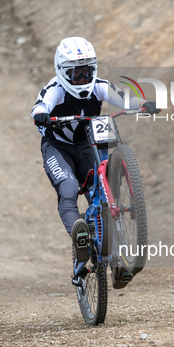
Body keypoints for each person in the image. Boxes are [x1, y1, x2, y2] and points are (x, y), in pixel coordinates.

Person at [31, 37, 158, 284]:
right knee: (68, 188)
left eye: (86, 71)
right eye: (75, 73)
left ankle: (116, 258)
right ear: (62, 72)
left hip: (87, 145)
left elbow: (124, 99)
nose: (82, 78)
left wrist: (143, 104)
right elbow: (39, 106)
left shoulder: (100, 85)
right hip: (58, 147)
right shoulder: (54, 89)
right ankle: (80, 239)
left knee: (100, 193)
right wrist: (42, 115)